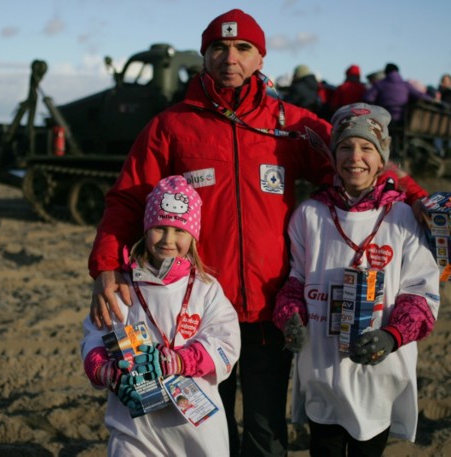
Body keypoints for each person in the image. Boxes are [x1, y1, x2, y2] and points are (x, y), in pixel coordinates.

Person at [87, 9, 428, 456]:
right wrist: (107, 265)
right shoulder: (170, 127)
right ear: (204, 55)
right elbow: (129, 199)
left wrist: (422, 202)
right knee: (205, 427)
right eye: (219, 47)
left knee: (266, 433)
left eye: (243, 48)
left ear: (260, 56)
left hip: (271, 311)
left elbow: (360, 162)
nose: (231, 57)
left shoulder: (292, 124)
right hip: (198, 310)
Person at [272, 103, 441, 456]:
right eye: (346, 147)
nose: (355, 157)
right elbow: (295, 281)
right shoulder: (310, 214)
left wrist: (393, 336)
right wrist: (290, 317)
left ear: (383, 159)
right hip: (323, 367)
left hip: (376, 369)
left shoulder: (404, 217)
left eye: (367, 148)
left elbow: (421, 295)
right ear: (333, 156)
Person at [81, 175, 241, 456]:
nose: (168, 240)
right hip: (134, 427)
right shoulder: (123, 287)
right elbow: (94, 335)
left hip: (196, 427)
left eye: (179, 231)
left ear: (193, 237)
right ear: (145, 229)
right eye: (160, 228)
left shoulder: (206, 289)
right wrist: (103, 369)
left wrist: (179, 361)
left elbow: (226, 343)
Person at [363, 63, 432, 123]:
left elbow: (367, 98)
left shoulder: (380, 84)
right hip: (401, 119)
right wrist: (433, 99)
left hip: (383, 117)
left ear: (386, 73)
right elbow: (420, 96)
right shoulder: (406, 85)